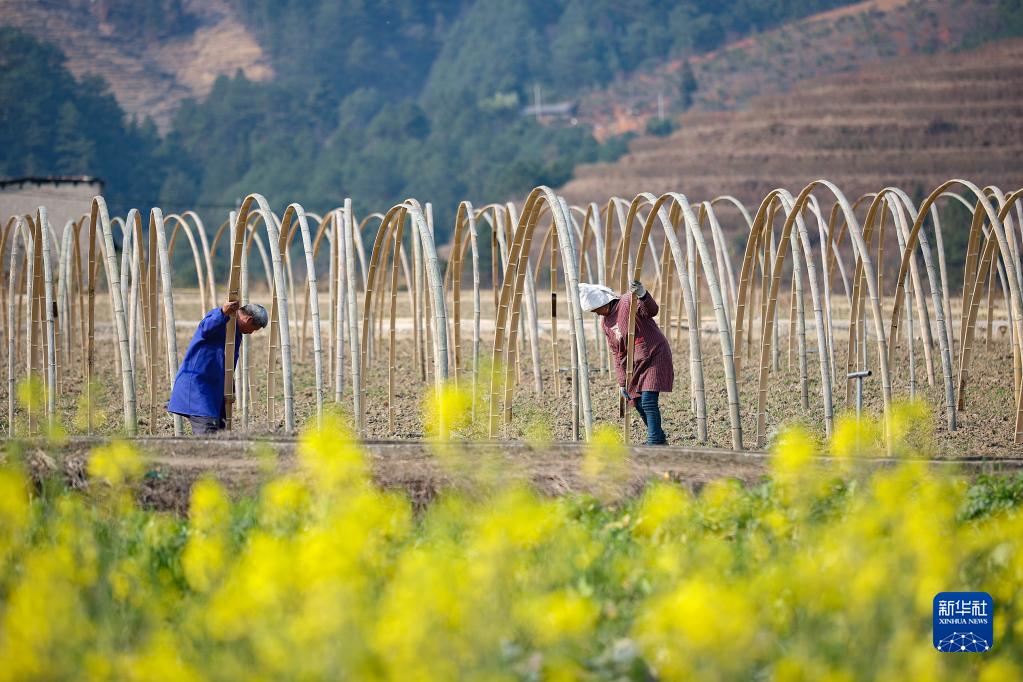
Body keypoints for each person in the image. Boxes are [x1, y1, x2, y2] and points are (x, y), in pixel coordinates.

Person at [579, 280, 673, 445]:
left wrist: (643, 295)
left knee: (648, 401)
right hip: (634, 364)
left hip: (654, 354)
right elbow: (616, 352)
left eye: (596, 309)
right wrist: (622, 382)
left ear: (603, 302)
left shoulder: (627, 301)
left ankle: (654, 442)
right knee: (637, 402)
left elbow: (652, 311)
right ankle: (658, 438)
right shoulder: (605, 323)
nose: (596, 313)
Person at [168, 300, 268, 434]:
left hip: (214, 388)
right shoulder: (220, 318)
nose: (251, 333)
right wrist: (222, 313)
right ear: (248, 320)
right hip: (198, 385)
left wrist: (230, 385)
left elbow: (225, 362)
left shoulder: (236, 332)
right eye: (254, 329)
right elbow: (205, 329)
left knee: (221, 432)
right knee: (207, 432)